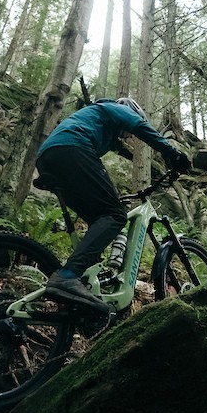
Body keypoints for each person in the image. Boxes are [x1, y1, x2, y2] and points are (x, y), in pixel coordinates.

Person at [35, 97, 191, 311]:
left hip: (48, 158)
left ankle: (80, 288)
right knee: (116, 214)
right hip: (71, 148)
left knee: (101, 220)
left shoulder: (98, 123)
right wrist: (173, 154)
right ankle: (68, 275)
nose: (126, 136)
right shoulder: (114, 107)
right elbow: (139, 127)